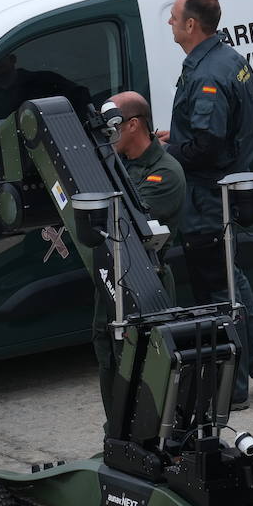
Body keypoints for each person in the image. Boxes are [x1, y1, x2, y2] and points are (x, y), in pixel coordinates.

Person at [157, 0, 253, 408]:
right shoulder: (230, 60)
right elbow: (222, 131)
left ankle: (234, 388)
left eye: (174, 18)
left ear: (192, 25)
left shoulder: (208, 74)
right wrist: (179, 136)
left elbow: (208, 145)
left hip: (207, 197)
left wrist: (168, 152)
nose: (170, 24)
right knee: (233, 282)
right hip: (227, 188)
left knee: (215, 292)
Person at [91, 92, 186, 410]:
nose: (108, 135)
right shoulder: (116, 165)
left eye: (112, 127)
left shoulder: (165, 173)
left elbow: (128, 225)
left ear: (132, 125)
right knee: (109, 361)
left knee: (145, 372)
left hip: (147, 285)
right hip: (111, 281)